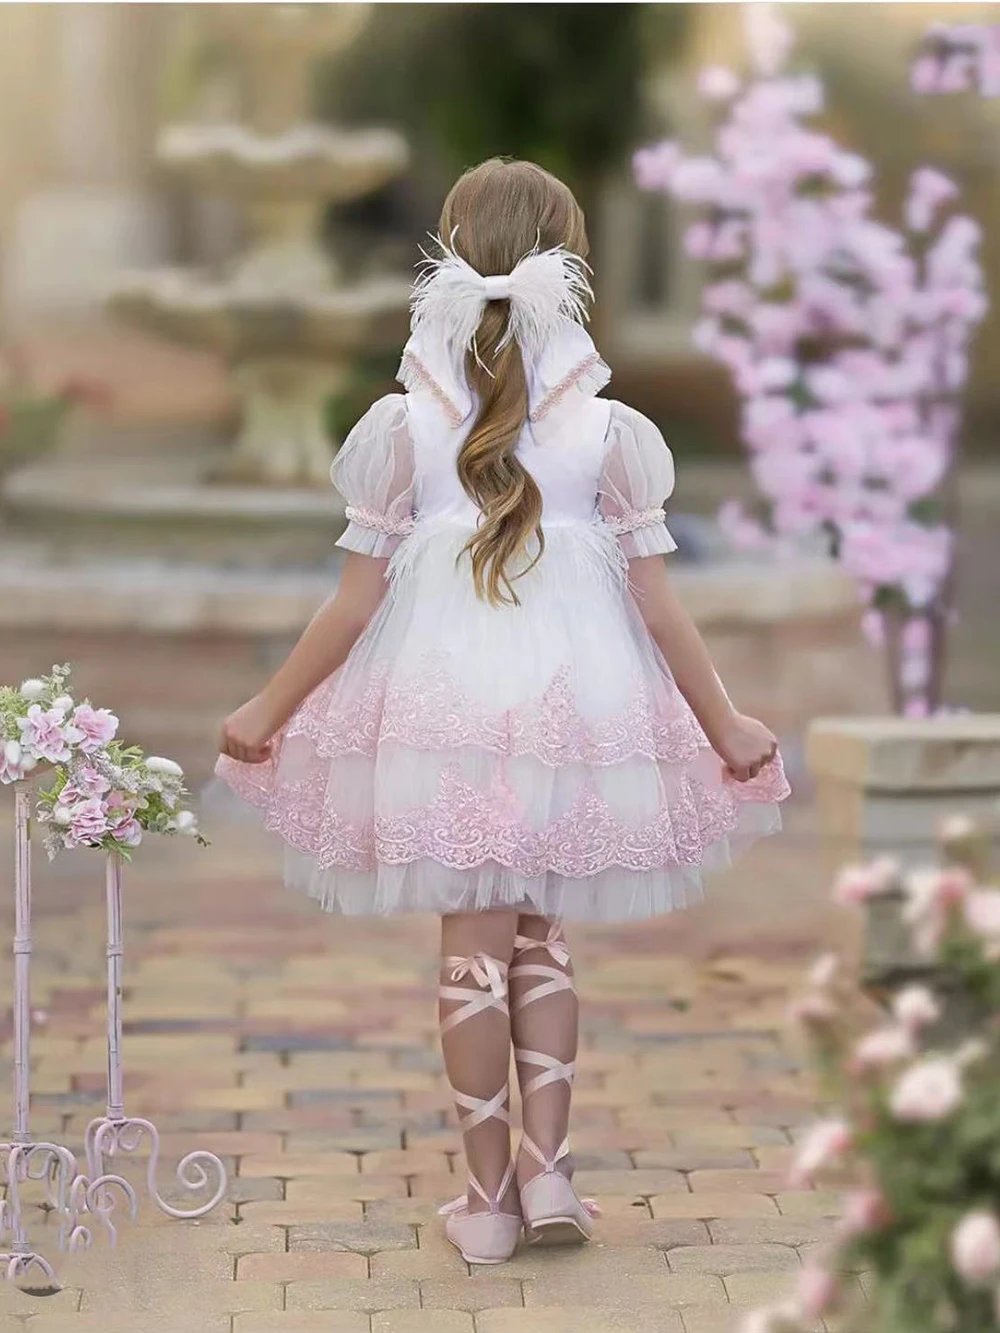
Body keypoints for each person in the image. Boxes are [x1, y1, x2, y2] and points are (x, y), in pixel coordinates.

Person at [216, 157, 789, 1266]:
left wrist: (269, 704)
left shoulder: (406, 423)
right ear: (565, 261)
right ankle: (552, 1171)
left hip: (444, 706)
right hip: (576, 703)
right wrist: (723, 723)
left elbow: (354, 601)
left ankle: (485, 1199)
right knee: (540, 938)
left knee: (471, 947)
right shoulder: (609, 431)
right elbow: (657, 604)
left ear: (450, 251)